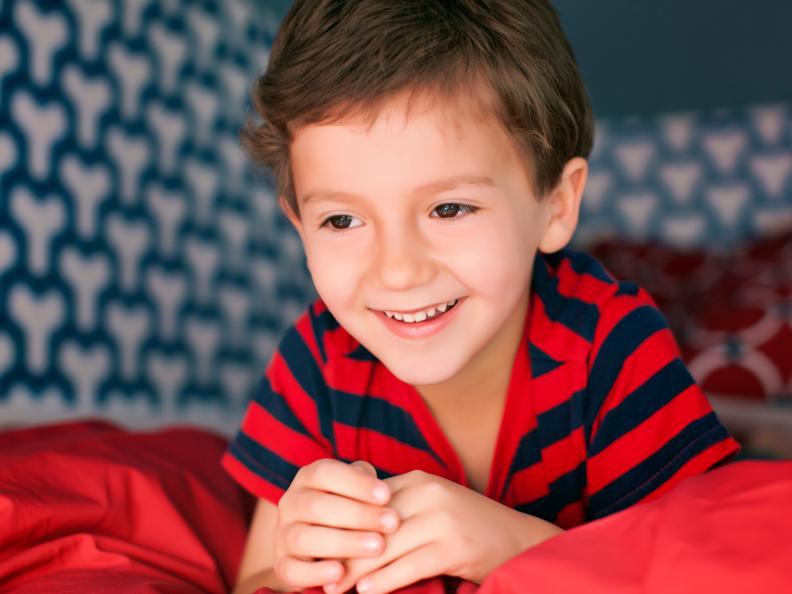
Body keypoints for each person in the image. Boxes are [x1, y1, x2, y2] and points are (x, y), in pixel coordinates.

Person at [222, 2, 741, 593]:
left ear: (556, 205)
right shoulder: (316, 365)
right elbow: (253, 579)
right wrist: (296, 568)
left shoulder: (612, 347)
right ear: (298, 225)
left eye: (449, 208)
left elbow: (691, 572)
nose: (397, 272)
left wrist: (514, 546)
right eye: (342, 220)